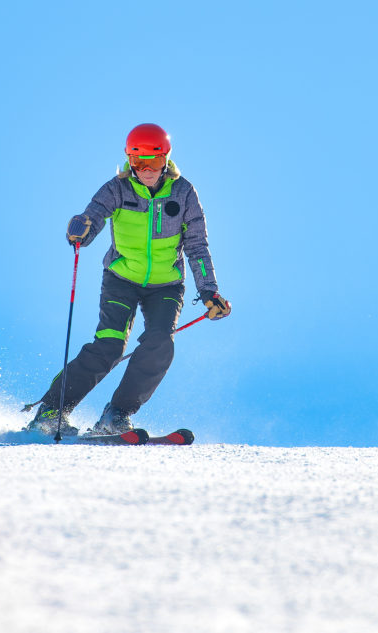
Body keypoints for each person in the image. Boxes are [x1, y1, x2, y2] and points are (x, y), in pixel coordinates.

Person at [25, 123, 231, 437]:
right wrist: (82, 230)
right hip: (121, 278)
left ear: (166, 160)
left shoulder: (184, 192)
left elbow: (197, 245)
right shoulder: (117, 188)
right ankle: (51, 412)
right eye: (138, 162)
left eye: (154, 162)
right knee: (109, 346)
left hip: (166, 285)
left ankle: (116, 415)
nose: (146, 170)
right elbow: (94, 214)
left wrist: (209, 292)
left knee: (160, 343)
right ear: (129, 161)